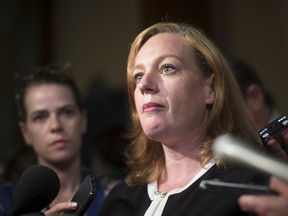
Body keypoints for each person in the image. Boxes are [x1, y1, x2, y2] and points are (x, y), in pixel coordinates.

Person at [98, 22, 269, 215]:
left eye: (167, 68)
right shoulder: (121, 198)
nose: (144, 84)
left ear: (211, 89)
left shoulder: (250, 187)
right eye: (138, 76)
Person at [0, 64, 104, 216]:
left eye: (66, 112)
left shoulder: (117, 194)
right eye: (40, 117)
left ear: (83, 120)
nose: (55, 126)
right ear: (26, 132)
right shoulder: (3, 202)